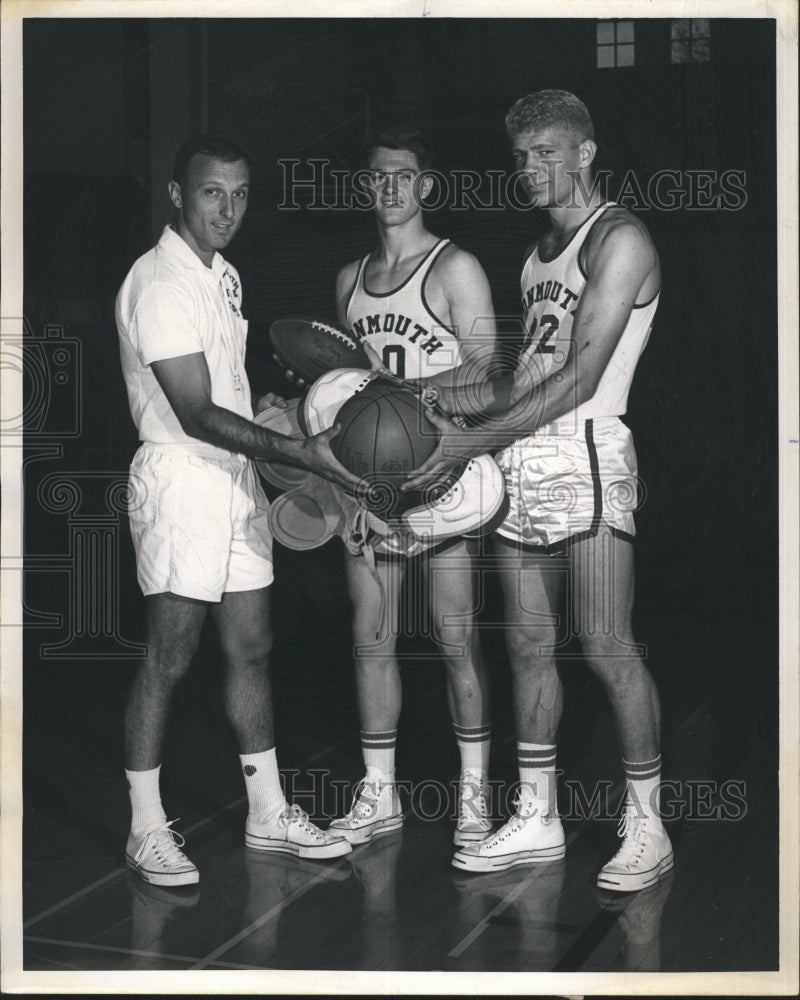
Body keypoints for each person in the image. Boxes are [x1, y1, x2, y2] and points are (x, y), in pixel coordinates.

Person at [404, 91, 672, 891]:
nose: (532, 169)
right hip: (525, 460)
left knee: (606, 645)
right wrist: (425, 407)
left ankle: (648, 822)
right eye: (522, 156)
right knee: (525, 644)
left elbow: (584, 377)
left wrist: (474, 440)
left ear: (586, 153)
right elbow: (524, 376)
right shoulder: (533, 257)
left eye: (548, 152)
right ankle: (537, 815)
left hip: (590, 454)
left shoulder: (620, 239)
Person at [117, 134, 362, 887]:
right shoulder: (159, 281)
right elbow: (191, 412)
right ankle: (146, 828)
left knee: (251, 646)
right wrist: (303, 454)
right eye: (212, 192)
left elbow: (219, 393)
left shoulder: (220, 275)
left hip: (233, 479)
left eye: (240, 193)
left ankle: (267, 814)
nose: (228, 208)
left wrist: (271, 412)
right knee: (170, 656)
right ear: (177, 195)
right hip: (182, 478)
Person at [326, 129, 498, 847]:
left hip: (443, 478)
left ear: (426, 186)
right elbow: (346, 391)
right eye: (378, 177)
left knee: (456, 640)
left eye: (404, 177)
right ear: (366, 187)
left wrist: (399, 397)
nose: (390, 188)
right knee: (371, 640)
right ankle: (379, 797)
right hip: (375, 489)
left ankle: (475, 798)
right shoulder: (348, 281)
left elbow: (488, 374)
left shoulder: (455, 266)